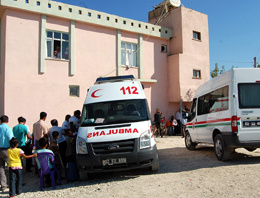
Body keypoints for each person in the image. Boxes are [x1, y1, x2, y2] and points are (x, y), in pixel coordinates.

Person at [0, 115, 13, 193]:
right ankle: (12, 183)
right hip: (6, 149)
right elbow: (10, 139)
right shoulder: (8, 128)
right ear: (7, 121)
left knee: (1, 168)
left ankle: (3, 185)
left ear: (0, 121)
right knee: (11, 166)